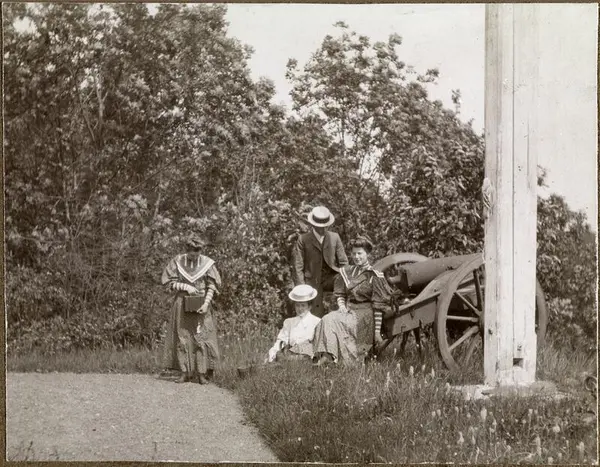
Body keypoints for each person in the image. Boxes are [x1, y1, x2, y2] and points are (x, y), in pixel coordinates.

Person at [312, 235, 392, 365]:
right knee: (327, 319)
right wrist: (342, 307)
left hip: (365, 315)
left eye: (360, 253)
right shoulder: (347, 272)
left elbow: (378, 306)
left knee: (337, 322)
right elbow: (340, 294)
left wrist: (377, 332)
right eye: (354, 253)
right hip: (349, 310)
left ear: (367, 254)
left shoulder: (375, 275)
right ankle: (328, 355)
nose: (356, 257)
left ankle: (342, 359)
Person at [161, 235, 221, 384]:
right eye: (191, 254)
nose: (194, 257)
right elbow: (168, 283)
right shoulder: (178, 261)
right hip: (182, 302)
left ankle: (201, 373)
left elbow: (211, 286)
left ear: (201, 251)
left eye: (197, 253)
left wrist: (206, 304)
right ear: (187, 251)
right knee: (183, 336)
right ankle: (185, 371)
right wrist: (185, 286)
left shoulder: (207, 264)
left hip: (202, 301)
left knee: (202, 336)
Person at [291, 206, 348, 318]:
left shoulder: (334, 237)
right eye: (319, 227)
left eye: (325, 226)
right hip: (311, 281)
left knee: (337, 314)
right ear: (313, 225)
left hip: (331, 280)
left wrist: (347, 280)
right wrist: (302, 289)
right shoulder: (303, 239)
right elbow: (298, 266)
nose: (322, 229)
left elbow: (344, 263)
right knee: (314, 315)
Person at [266, 284, 322, 363]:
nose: (300, 309)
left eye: (303, 305)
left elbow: (319, 344)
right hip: (290, 355)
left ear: (309, 306)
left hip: (309, 357)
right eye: (297, 305)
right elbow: (281, 341)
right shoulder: (289, 322)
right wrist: (273, 352)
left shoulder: (317, 322)